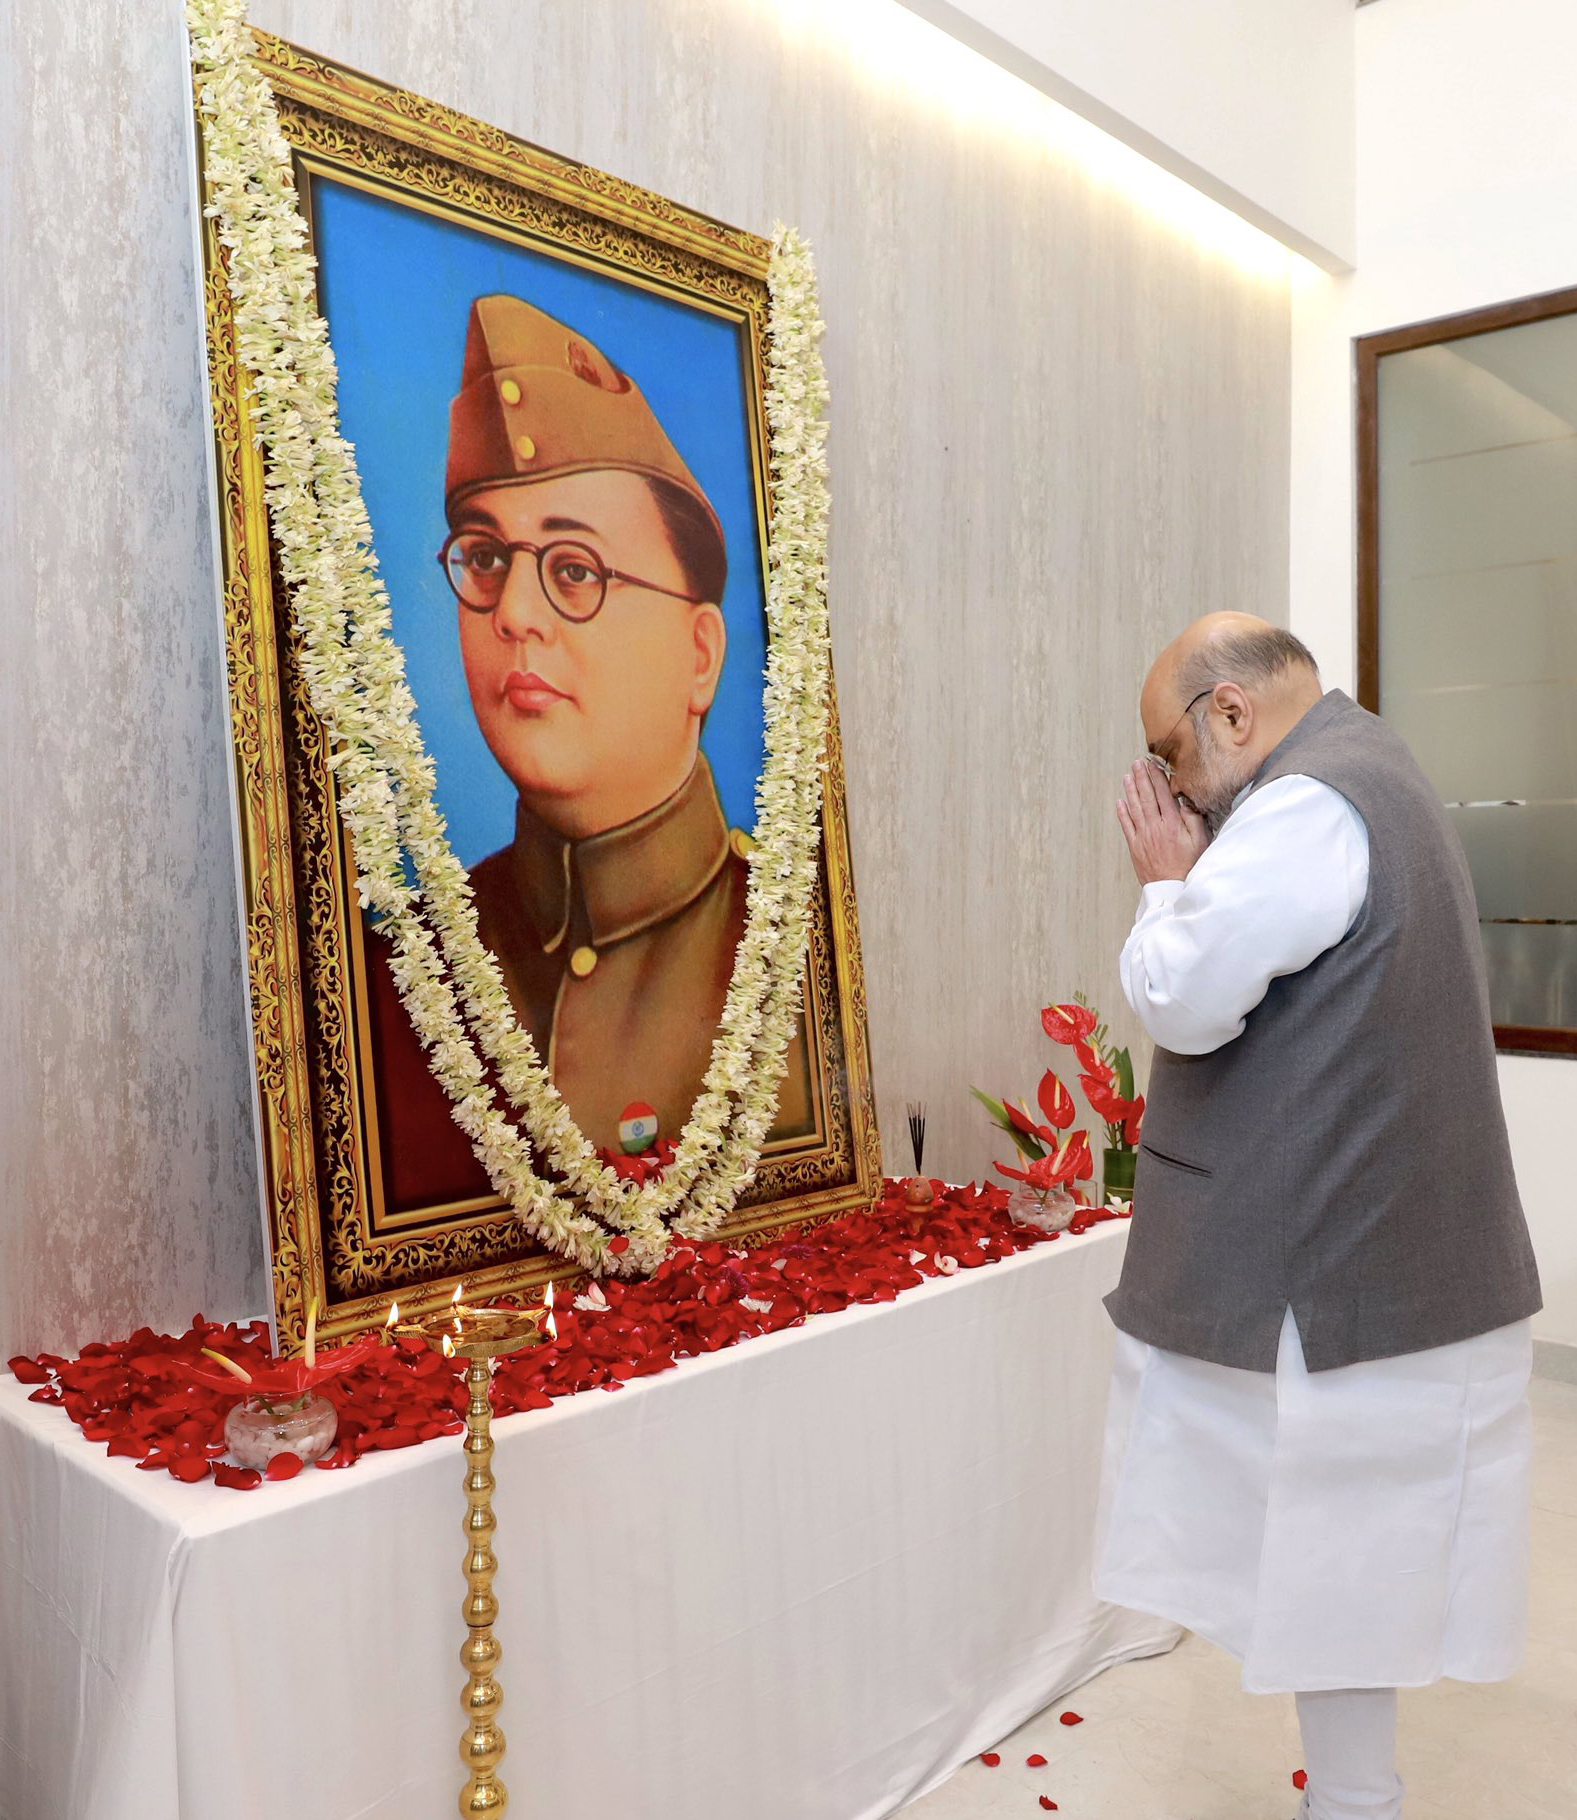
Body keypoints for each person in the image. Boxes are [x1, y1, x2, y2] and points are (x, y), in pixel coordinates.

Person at [1093, 614, 1542, 1820]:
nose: (1170, 790)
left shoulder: (1299, 808)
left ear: (1228, 714)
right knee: (1347, 1566)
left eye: (1167, 755)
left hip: (1336, 1275)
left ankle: (1353, 1801)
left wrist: (1160, 888)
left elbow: (1185, 999)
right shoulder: (1372, 763)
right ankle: (1351, 1793)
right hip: (1399, 1262)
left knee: (1335, 1563)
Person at [363, 293, 813, 1204]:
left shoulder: (790, 960)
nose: (515, 614)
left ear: (700, 656)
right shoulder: (393, 982)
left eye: (575, 571)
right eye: (485, 558)